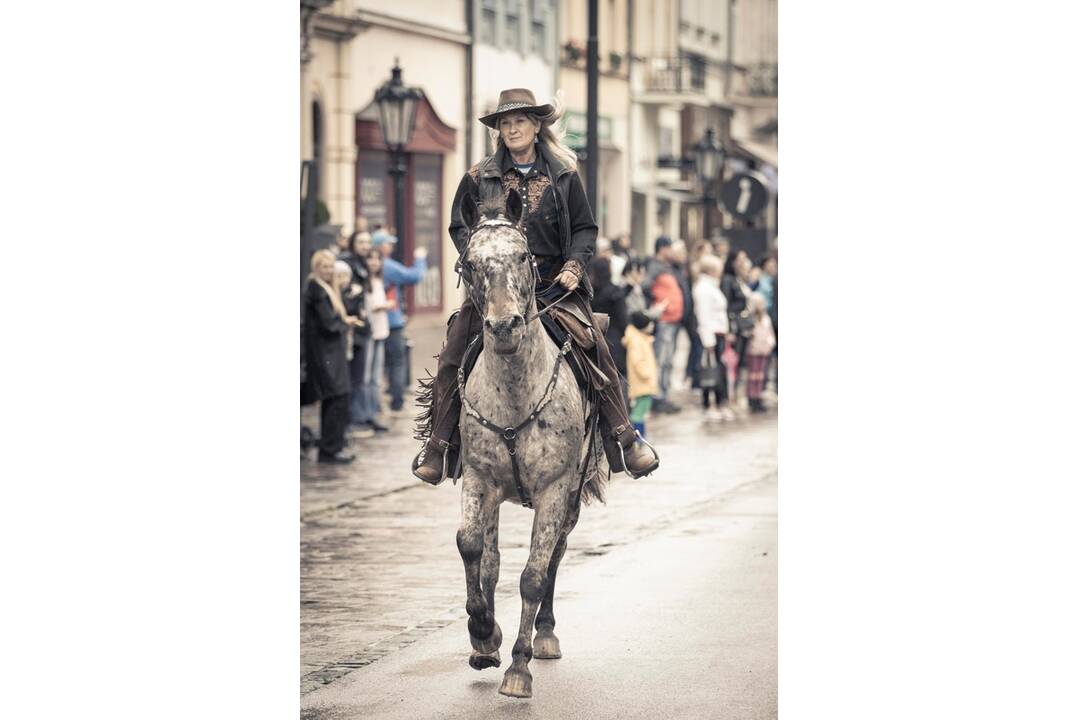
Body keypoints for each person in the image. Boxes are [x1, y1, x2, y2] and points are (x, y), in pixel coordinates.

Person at [412, 87, 658, 484]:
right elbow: (459, 224)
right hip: (496, 288)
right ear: (499, 131)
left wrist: (576, 266)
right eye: (505, 123)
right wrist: (481, 260)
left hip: (553, 286)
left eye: (520, 122)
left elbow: (584, 228)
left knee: (596, 346)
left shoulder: (563, 175)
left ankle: (624, 439)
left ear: (536, 126)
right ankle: (439, 446)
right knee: (453, 354)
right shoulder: (479, 176)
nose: (512, 129)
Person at [303, 249, 365, 463]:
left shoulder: (325, 288)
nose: (329, 271)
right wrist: (344, 323)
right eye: (325, 267)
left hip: (331, 353)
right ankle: (330, 449)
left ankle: (333, 446)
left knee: (338, 398)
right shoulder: (316, 288)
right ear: (316, 268)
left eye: (331, 266)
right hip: (325, 354)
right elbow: (328, 324)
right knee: (336, 399)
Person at [372, 231, 427, 413]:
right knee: (396, 361)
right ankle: (396, 402)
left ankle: (382, 401)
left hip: (381, 320)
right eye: (388, 243)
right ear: (380, 246)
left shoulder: (380, 264)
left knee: (383, 363)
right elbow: (414, 276)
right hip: (391, 321)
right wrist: (420, 258)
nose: (391, 247)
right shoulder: (386, 265)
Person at [692, 254, 735, 421]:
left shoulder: (710, 286)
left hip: (718, 333)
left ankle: (718, 403)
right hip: (711, 335)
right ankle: (709, 405)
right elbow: (704, 315)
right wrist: (708, 340)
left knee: (717, 371)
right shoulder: (703, 288)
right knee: (709, 371)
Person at [356, 248, 394, 432]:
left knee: (376, 378)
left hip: (381, 331)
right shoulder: (363, 281)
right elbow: (369, 307)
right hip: (369, 333)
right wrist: (384, 305)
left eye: (377, 259)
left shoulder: (379, 280)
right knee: (366, 377)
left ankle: (373, 414)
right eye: (370, 259)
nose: (374, 262)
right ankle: (363, 415)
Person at [645, 236, 684, 413]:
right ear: (662, 249)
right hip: (664, 320)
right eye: (670, 248)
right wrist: (658, 303)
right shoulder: (655, 266)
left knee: (668, 360)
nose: (672, 252)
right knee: (661, 360)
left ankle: (664, 395)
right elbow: (645, 285)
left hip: (672, 321)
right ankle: (658, 397)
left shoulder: (667, 267)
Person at [589, 256, 629, 377]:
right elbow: (623, 320)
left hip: (594, 340)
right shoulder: (616, 292)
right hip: (614, 341)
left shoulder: (590, 294)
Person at [623, 312, 659, 439]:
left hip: (644, 383)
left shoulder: (640, 338)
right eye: (650, 324)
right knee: (639, 413)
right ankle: (638, 438)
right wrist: (647, 375)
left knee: (641, 411)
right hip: (642, 383)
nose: (652, 326)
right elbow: (637, 361)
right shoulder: (636, 341)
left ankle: (640, 437)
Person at [745, 292, 776, 413]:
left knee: (760, 375)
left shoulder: (765, 318)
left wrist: (770, 343)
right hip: (753, 350)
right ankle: (752, 397)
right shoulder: (750, 318)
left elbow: (769, 332)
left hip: (764, 350)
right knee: (753, 375)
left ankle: (758, 396)